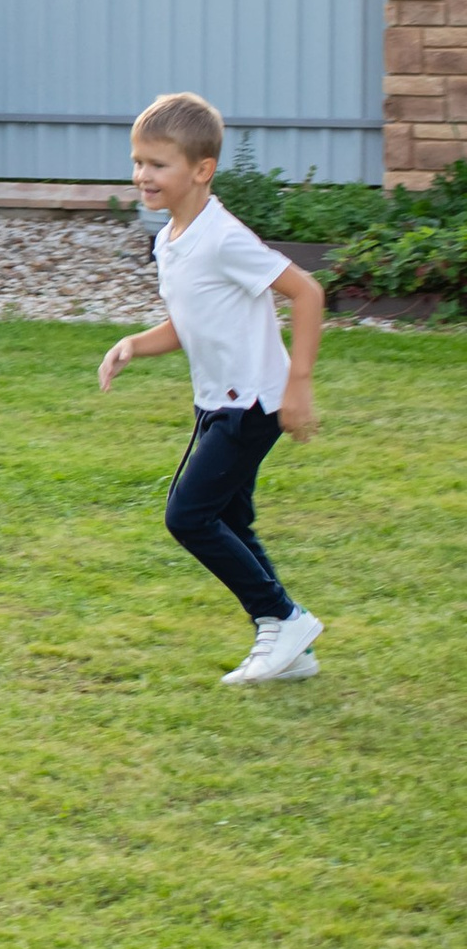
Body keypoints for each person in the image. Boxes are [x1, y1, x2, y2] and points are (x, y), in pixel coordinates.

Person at [98, 90, 325, 686]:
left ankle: (282, 618)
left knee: (189, 516)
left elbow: (307, 292)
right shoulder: (171, 239)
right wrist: (134, 344)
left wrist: (298, 386)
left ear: (202, 170)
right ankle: (289, 645)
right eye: (138, 161)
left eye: (158, 164)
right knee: (230, 520)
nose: (143, 175)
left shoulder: (223, 238)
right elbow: (190, 323)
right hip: (218, 403)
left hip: (252, 403)